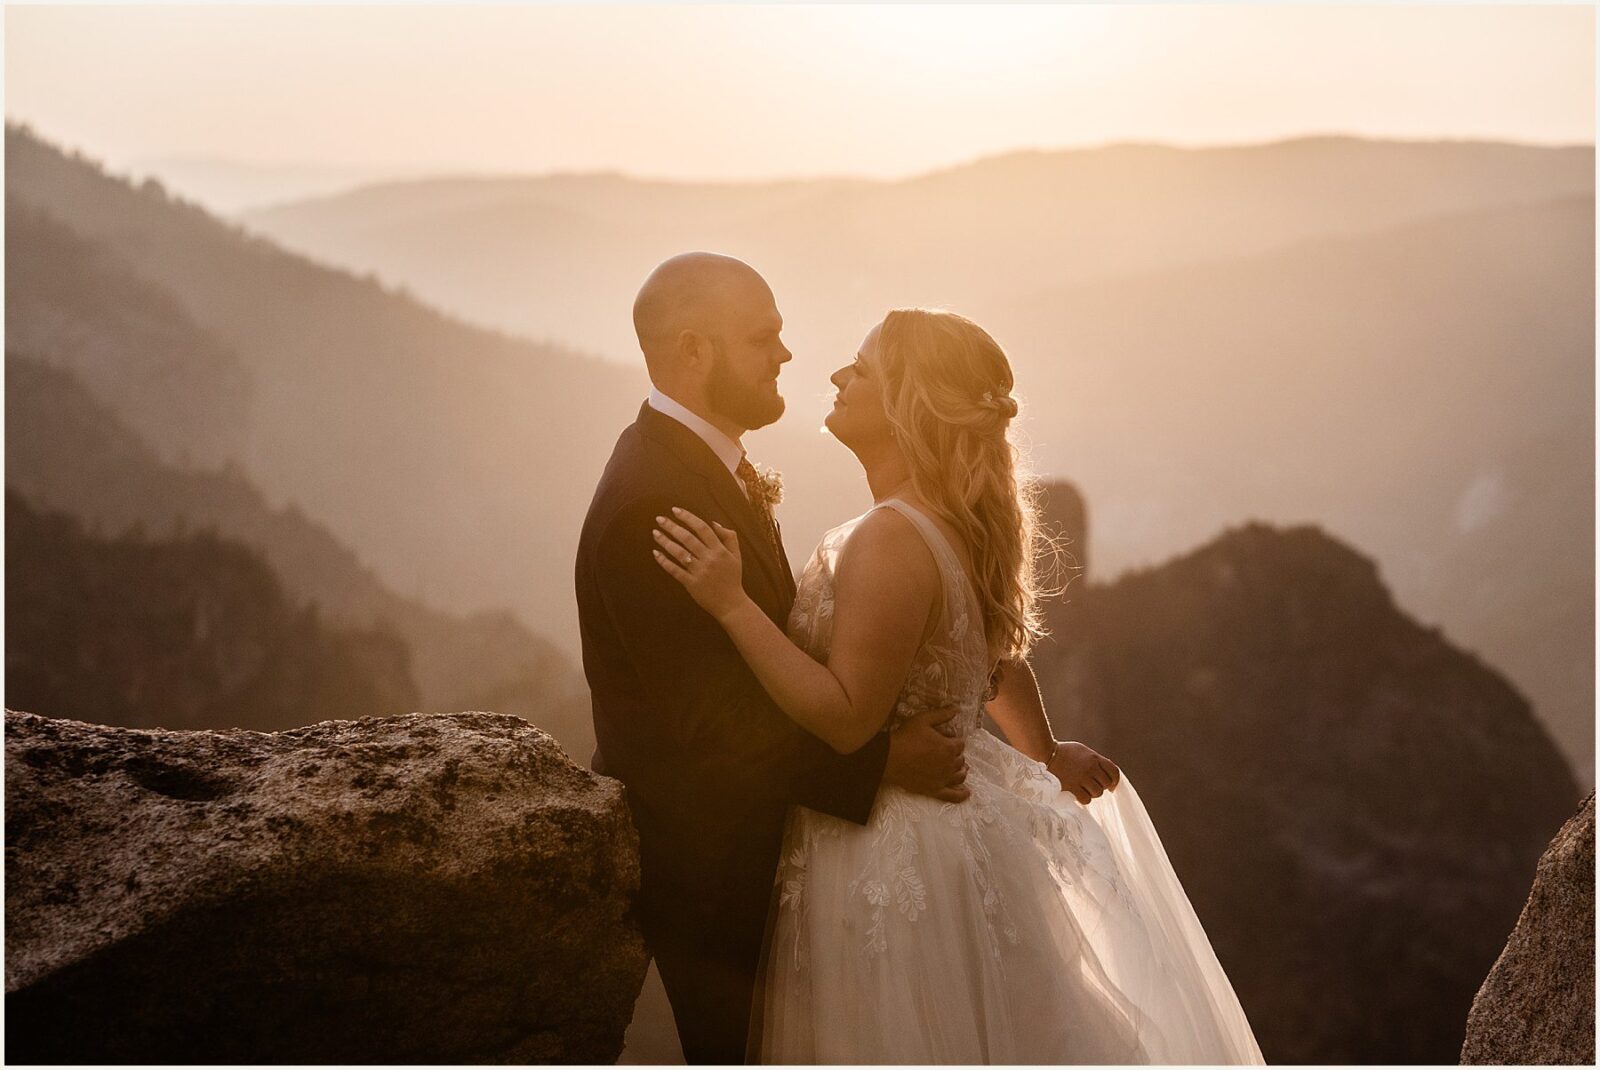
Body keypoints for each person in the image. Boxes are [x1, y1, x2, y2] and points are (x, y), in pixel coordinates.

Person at [652, 307, 1266, 1063]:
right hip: (955, 834)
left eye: (863, 368)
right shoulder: (953, 522)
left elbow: (846, 720)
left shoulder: (888, 537)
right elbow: (993, 660)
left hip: (890, 844)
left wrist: (731, 604)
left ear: (910, 404)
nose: (840, 376)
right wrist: (1043, 753)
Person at [574, 254, 971, 1064]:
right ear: (693, 352)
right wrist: (884, 761)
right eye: (765, 339)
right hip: (717, 883)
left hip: (767, 858)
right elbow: (711, 728)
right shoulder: (658, 499)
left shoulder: (702, 465)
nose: (787, 356)